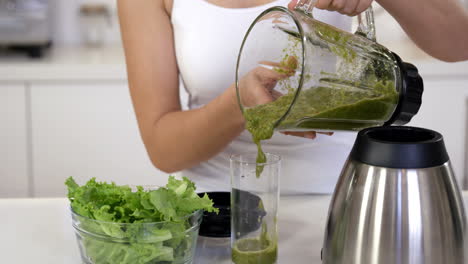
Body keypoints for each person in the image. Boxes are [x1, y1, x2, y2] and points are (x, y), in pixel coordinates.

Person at [117, 0, 468, 194]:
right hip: (215, 210)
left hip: (341, 200)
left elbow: (458, 43)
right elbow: (164, 148)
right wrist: (240, 107)